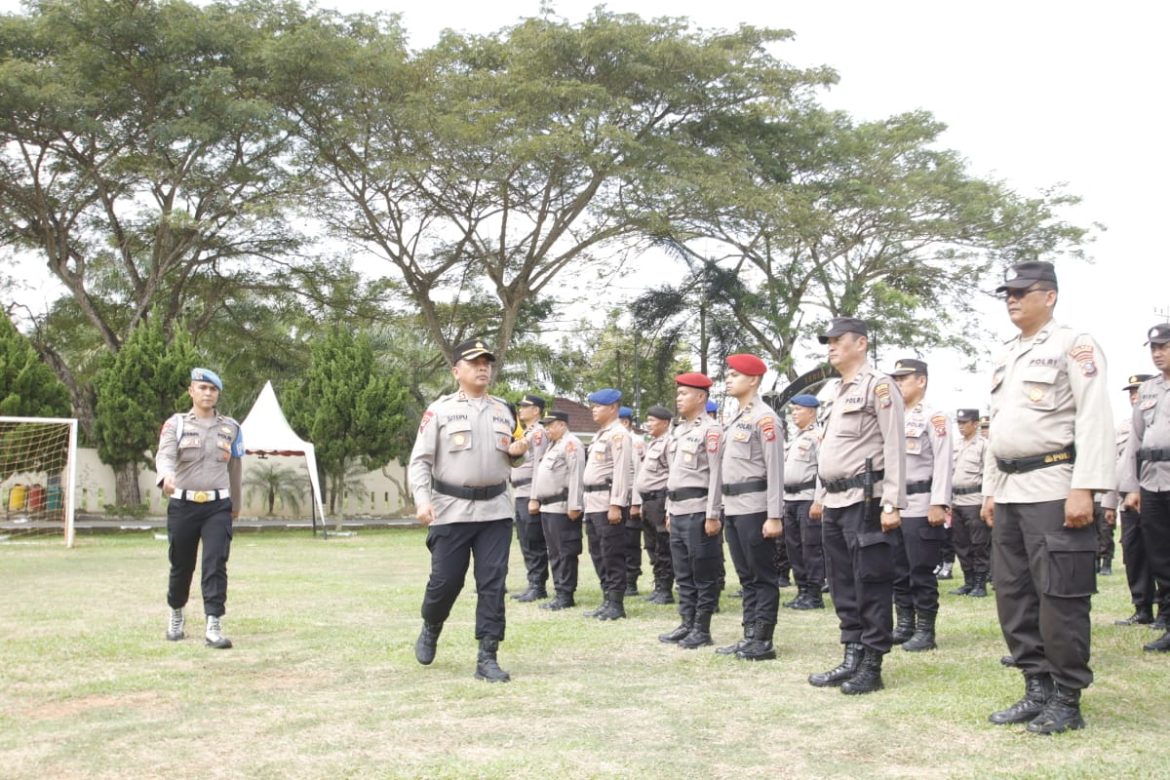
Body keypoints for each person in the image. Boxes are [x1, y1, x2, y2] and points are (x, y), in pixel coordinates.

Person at [981, 261, 1114, 733]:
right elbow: (999, 430)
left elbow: (1095, 417)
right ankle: (1035, 687)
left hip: (1055, 487)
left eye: (1022, 291)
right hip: (1011, 488)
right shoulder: (1006, 353)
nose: (1012, 299)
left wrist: (1086, 487)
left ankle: (1066, 698)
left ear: (1050, 296)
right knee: (1014, 595)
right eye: (1007, 293)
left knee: (1061, 596)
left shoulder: (1072, 344)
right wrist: (991, 489)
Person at [409, 338, 530, 683]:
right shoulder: (440, 410)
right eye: (475, 362)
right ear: (456, 370)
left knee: (493, 583)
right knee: (445, 582)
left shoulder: (504, 410)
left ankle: (487, 656)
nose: (483, 368)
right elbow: (420, 461)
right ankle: (432, 625)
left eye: (487, 363)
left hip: (496, 510)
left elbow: (514, 452)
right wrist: (422, 499)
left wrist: (519, 450)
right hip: (452, 510)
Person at [807, 317, 905, 695]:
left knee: (871, 581)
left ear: (860, 343)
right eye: (827, 341)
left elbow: (894, 445)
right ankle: (851, 655)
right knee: (843, 582)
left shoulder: (880, 386)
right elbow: (829, 449)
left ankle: (872, 663)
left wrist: (892, 502)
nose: (830, 346)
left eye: (837, 340)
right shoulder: (833, 390)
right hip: (834, 497)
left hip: (867, 500)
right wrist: (820, 496)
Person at [156, 368, 244, 650]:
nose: (207, 393)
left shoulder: (231, 427)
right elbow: (165, 456)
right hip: (183, 503)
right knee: (181, 564)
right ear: (191, 392)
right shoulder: (176, 424)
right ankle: (176, 613)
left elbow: (235, 467)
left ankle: (213, 624)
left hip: (218, 505)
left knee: (215, 563)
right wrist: (165, 477)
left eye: (213, 389)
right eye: (202, 388)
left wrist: (236, 504)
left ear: (218, 394)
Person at [717, 353, 786, 661]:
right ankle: (749, 634)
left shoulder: (765, 418)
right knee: (746, 576)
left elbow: (775, 470)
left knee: (762, 575)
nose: (728, 379)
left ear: (753, 379)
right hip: (733, 507)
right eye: (728, 374)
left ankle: (763, 639)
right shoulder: (737, 417)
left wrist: (774, 515)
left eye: (735, 374)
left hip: (756, 507)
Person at [889, 358, 953, 653]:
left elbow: (943, 462)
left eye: (904, 378)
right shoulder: (891, 417)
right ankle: (904, 624)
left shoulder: (934, 417)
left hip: (922, 502)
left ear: (921, 381)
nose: (899, 384)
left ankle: (925, 629)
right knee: (897, 569)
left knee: (920, 570)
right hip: (895, 505)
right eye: (896, 379)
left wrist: (939, 502)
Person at [658, 373, 725, 649]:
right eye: (678, 394)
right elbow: (673, 474)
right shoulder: (679, 431)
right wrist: (669, 510)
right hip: (679, 508)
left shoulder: (711, 430)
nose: (679, 398)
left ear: (701, 397)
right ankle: (686, 622)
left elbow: (716, 474)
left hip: (699, 510)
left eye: (684, 393)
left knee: (703, 571)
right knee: (683, 571)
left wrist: (713, 514)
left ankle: (702, 628)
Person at [1120, 324, 1170, 651]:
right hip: (1151, 481)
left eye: (1163, 347)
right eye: (1153, 348)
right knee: (1160, 554)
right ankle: (1166, 617)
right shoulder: (1149, 391)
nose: (1157, 353)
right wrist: (1131, 487)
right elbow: (1135, 440)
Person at [1112, 373, 1164, 626]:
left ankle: (1163, 611)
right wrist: (1110, 503)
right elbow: (1119, 465)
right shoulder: (1124, 427)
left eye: (1137, 391)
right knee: (1134, 552)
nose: (1134, 395)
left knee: (1160, 552)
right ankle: (1143, 607)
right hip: (1133, 494)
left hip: (1157, 489)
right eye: (1131, 392)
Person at [581, 388, 635, 620]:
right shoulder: (600, 435)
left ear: (613, 408)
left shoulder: (618, 434)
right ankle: (606, 598)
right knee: (598, 552)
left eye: (598, 406)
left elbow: (622, 472)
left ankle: (616, 603)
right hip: (593, 502)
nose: (594, 410)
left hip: (607, 502)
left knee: (612, 553)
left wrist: (617, 504)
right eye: (593, 406)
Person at [530, 410, 586, 610]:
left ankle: (566, 594)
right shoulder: (553, 446)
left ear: (562, 425)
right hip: (548, 507)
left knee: (566, 551)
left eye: (551, 425)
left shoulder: (572, 444)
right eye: (546, 426)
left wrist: (574, 505)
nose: (547, 429)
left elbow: (576, 475)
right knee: (554, 552)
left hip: (563, 507)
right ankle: (559, 591)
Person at [784, 395, 825, 610]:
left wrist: (819, 501)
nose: (794, 413)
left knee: (811, 547)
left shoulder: (818, 436)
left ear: (812, 411)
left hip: (807, 498)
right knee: (793, 547)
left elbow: (822, 470)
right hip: (790, 499)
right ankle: (802, 590)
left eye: (798, 409)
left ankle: (814, 593)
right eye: (793, 409)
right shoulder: (795, 438)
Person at [631, 405, 675, 604]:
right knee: (651, 545)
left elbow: (673, 475)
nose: (648, 424)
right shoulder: (653, 444)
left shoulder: (669, 443)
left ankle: (665, 589)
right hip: (648, 501)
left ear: (665, 423)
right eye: (648, 420)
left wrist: (668, 507)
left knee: (663, 545)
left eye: (652, 421)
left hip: (660, 500)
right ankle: (658, 585)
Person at [511, 394, 551, 602]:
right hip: (519, 493)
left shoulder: (538, 433)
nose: (521, 409)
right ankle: (532, 582)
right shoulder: (525, 433)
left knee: (534, 540)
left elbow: (539, 466)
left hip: (529, 492)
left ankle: (538, 585)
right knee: (525, 539)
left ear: (536, 410)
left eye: (525, 406)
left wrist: (535, 496)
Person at [949, 409, 990, 598]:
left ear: (975, 424)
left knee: (978, 543)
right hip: (957, 500)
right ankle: (969, 581)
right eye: (959, 422)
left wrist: (986, 502)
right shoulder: (955, 444)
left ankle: (981, 583)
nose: (961, 426)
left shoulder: (984, 445)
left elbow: (989, 474)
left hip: (974, 500)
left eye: (965, 422)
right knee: (961, 543)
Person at [619, 406, 646, 596]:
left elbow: (639, 473)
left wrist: (636, 502)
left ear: (625, 422)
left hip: (630, 499)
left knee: (630, 542)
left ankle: (631, 580)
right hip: (615, 500)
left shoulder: (635, 442)